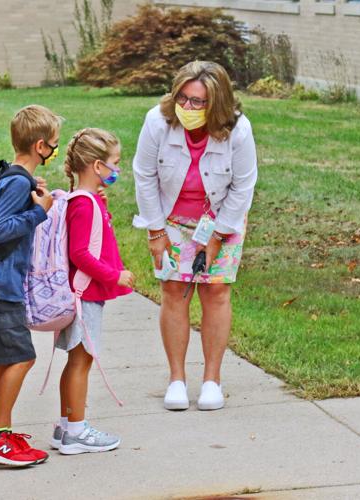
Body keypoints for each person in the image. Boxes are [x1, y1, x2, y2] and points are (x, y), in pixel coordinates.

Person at [133, 60, 258, 412]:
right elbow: (144, 176)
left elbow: (243, 185)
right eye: (183, 98)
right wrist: (156, 232)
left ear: (216, 104)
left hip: (222, 217)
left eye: (198, 102)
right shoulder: (157, 122)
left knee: (215, 290)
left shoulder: (239, 130)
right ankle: (176, 379)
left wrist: (216, 237)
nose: (187, 108)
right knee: (174, 289)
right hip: (171, 215)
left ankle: (212, 381)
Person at [0, 105, 59, 467]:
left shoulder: (17, 178)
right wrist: (39, 212)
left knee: (7, 360)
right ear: (40, 146)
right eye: (54, 143)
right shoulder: (18, 181)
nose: (56, 149)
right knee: (22, 357)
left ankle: (2, 433)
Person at [49, 128, 133, 455]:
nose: (117, 170)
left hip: (83, 296)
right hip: (86, 296)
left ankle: (65, 426)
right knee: (81, 362)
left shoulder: (88, 200)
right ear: (97, 166)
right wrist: (115, 276)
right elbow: (80, 254)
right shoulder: (84, 204)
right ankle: (76, 431)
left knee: (76, 361)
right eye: (115, 163)